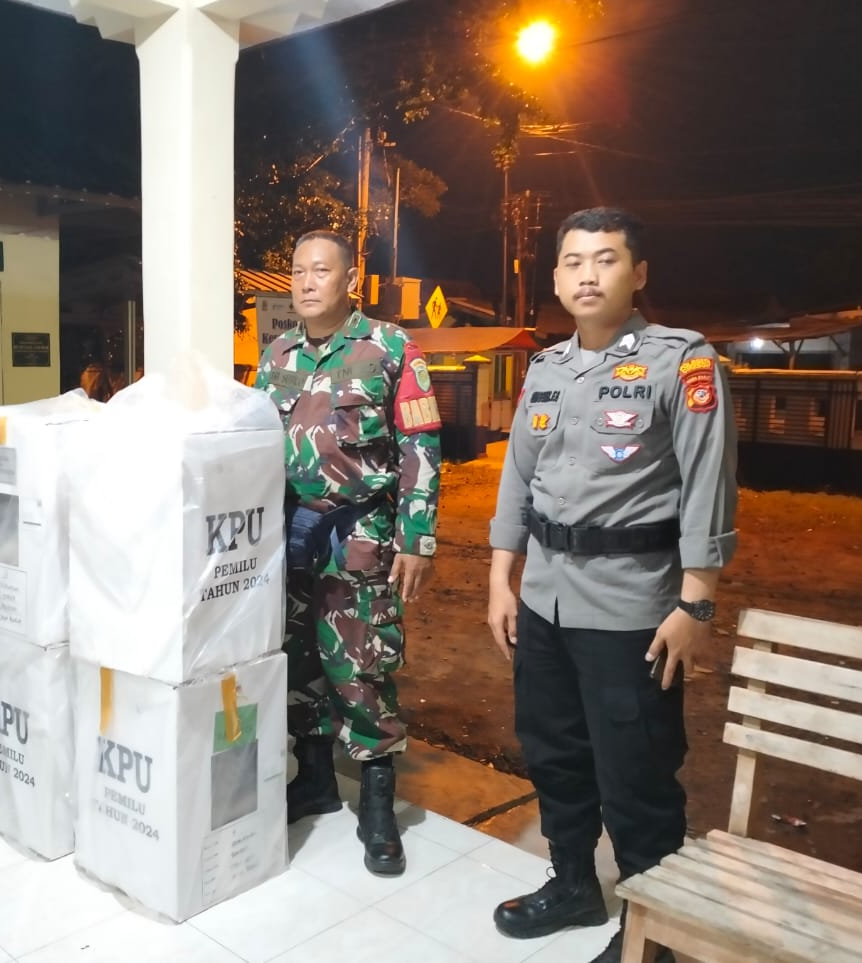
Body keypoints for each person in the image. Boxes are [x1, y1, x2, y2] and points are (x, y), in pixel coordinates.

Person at [486, 207, 737, 962]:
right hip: (544, 601)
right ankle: (572, 883)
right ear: (558, 278)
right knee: (554, 755)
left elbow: (708, 485)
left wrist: (696, 602)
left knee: (637, 776)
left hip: (632, 609)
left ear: (638, 273)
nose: (587, 275)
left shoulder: (681, 362)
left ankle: (651, 933)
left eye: (606, 259)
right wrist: (500, 577)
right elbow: (517, 477)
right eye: (573, 261)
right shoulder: (546, 367)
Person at [256, 230, 441, 877]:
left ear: (350, 279)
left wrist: (417, 536)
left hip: (361, 532)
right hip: (291, 532)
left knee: (361, 662)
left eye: (321, 270)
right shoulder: (276, 354)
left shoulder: (390, 348)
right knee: (297, 656)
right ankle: (314, 780)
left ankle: (378, 805)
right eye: (298, 271)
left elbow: (421, 444)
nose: (307, 282)